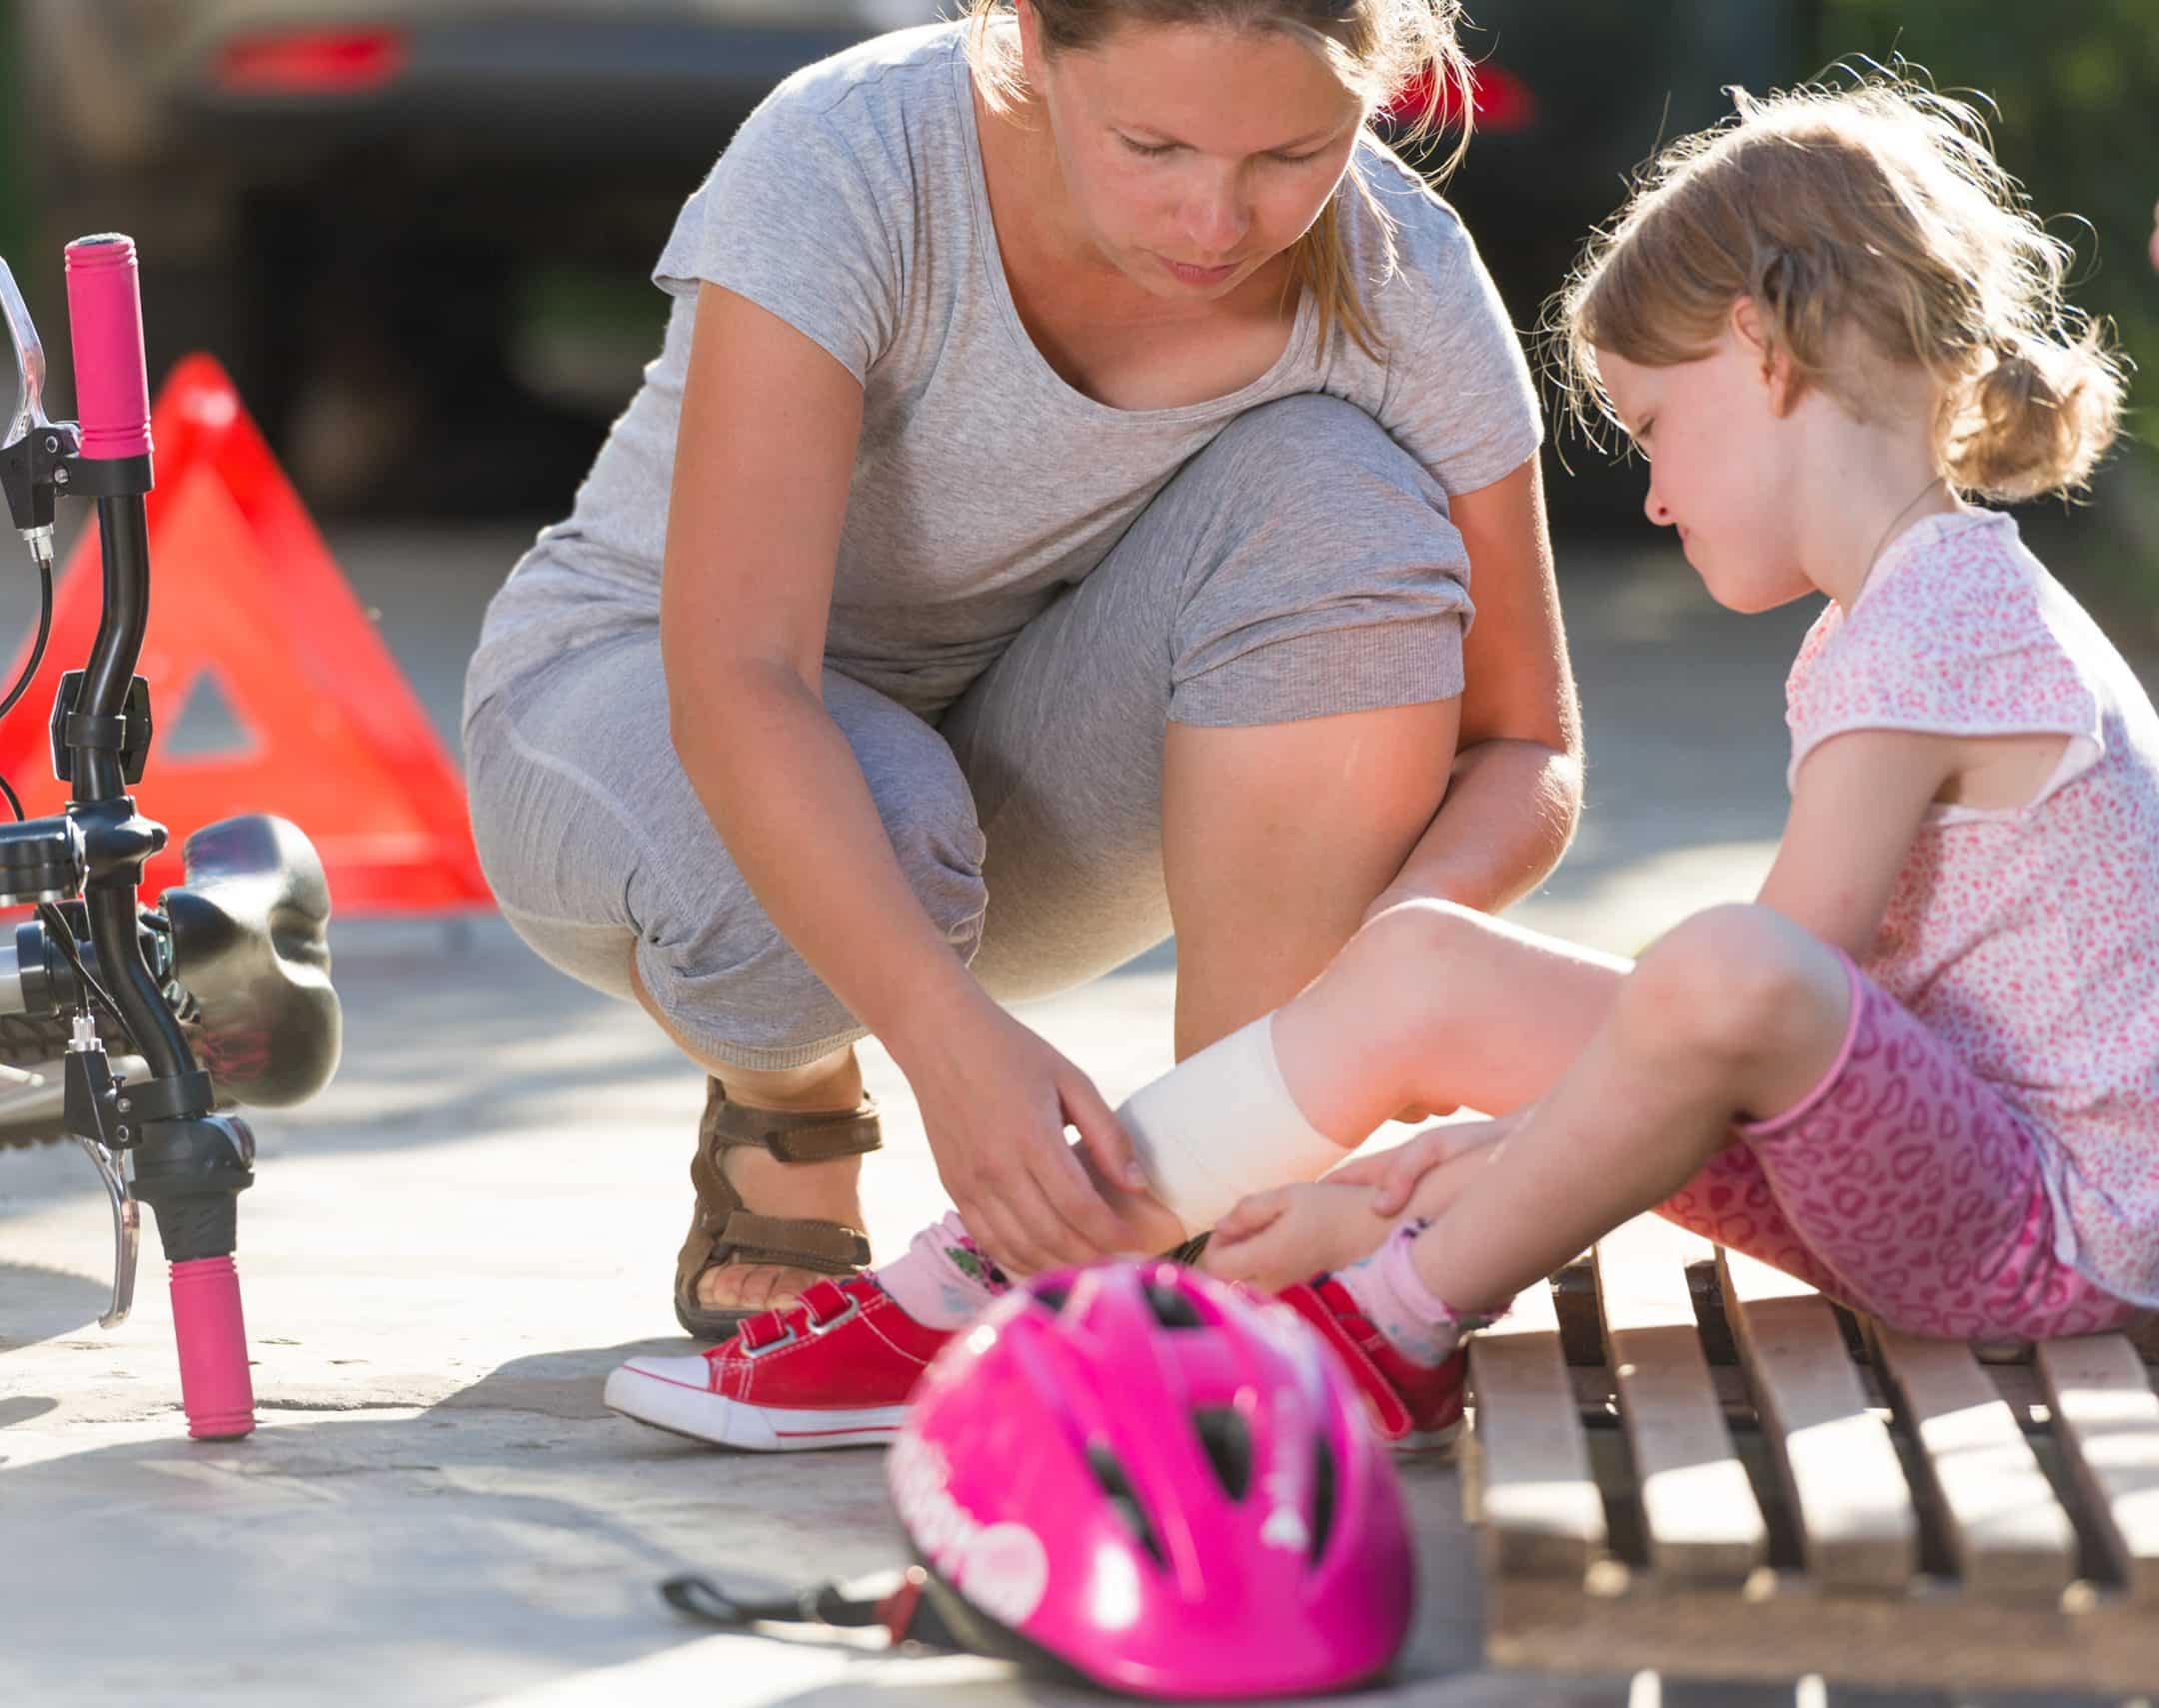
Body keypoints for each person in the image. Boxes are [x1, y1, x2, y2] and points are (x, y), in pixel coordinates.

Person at [608, 69, 2156, 1456]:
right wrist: (1505, 1142)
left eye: (1652, 424)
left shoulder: (1939, 623)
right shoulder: (1912, 610)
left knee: (1728, 965)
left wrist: (1502, 1164)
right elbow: (1786, 1050)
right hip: (1950, 1165)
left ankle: (1390, 1321)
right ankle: (1004, 1261)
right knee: (1424, 965)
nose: (1664, 498)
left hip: (2055, 1235)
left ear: (1757, 351)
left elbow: (1779, 996)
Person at [461, 0, 1580, 1340]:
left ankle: (1238, 1204)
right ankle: (795, 1094)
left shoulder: (1406, 277)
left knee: (1339, 495)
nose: (1216, 223)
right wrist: (945, 1048)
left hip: (1008, 799)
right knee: (877, 815)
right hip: (636, 707)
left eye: (1292, 155)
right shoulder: (852, 154)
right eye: (1152, 146)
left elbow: (1529, 743)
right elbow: (742, 677)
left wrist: (1389, 974)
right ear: (1033, 41)